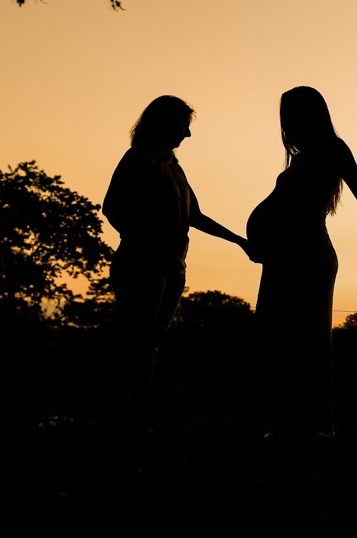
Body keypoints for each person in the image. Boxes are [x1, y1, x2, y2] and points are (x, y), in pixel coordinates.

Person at [247, 86, 357, 437]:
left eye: (294, 112)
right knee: (276, 339)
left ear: (312, 112)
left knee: (304, 340)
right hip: (284, 257)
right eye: (285, 113)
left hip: (306, 256)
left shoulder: (332, 149)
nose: (288, 120)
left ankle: (308, 424)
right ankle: (282, 420)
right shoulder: (303, 156)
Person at [102, 95, 251, 435]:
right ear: (163, 123)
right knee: (131, 345)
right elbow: (111, 208)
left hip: (173, 267)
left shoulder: (174, 166)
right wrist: (147, 238)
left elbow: (194, 216)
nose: (187, 134)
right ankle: (115, 422)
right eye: (183, 126)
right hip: (142, 264)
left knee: (149, 346)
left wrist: (239, 241)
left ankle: (135, 421)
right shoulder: (137, 159)